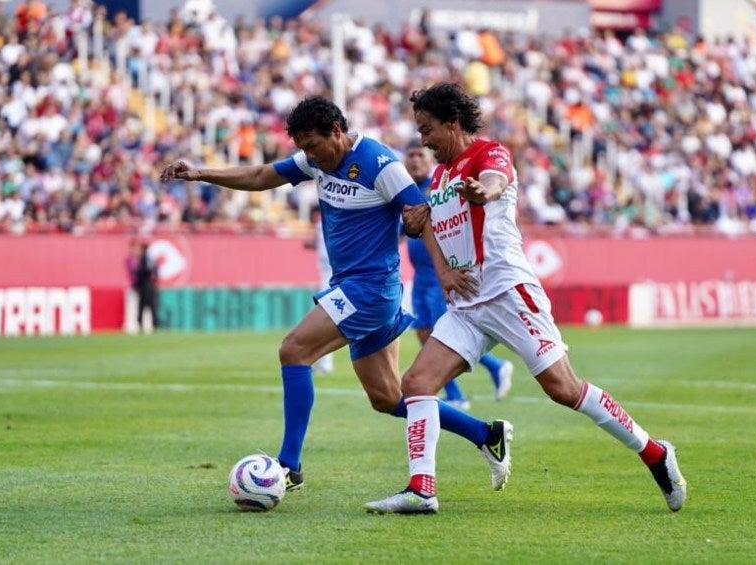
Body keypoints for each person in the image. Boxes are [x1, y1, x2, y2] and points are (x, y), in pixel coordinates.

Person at [159, 96, 511, 492]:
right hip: (356, 287)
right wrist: (200, 173)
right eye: (303, 148)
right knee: (387, 398)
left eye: (313, 145)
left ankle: (289, 465)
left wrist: (443, 270)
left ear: (337, 131)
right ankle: (486, 434)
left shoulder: (380, 164)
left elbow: (421, 215)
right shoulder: (316, 160)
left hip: (371, 289)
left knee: (294, 350)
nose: (309, 156)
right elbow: (260, 176)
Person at [365, 83, 686, 514]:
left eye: (428, 130)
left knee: (563, 389)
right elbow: (430, 229)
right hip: (467, 304)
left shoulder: (489, 153)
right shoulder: (439, 177)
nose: (423, 140)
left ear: (452, 123)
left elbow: (495, 183)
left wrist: (484, 192)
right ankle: (422, 490)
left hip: (508, 293)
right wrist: (435, 256)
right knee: (417, 383)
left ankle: (655, 452)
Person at [403, 143, 514, 409]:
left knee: (440, 334)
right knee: (423, 331)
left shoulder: (438, 187)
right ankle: (459, 391)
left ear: (430, 159)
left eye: (420, 154)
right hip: (420, 276)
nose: (415, 160)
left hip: (440, 273)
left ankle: (490, 370)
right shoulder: (407, 192)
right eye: (411, 155)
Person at [307, 206, 334, 375]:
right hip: (329, 273)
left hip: (331, 275)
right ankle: (323, 362)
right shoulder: (331, 221)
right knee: (324, 321)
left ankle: (325, 364)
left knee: (323, 321)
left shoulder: (323, 222)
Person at [126, 238, 159, 332]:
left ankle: (152, 324)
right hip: (141, 285)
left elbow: (150, 271)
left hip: (146, 284)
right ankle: (142, 324)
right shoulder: (134, 259)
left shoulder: (145, 259)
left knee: (149, 305)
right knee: (143, 305)